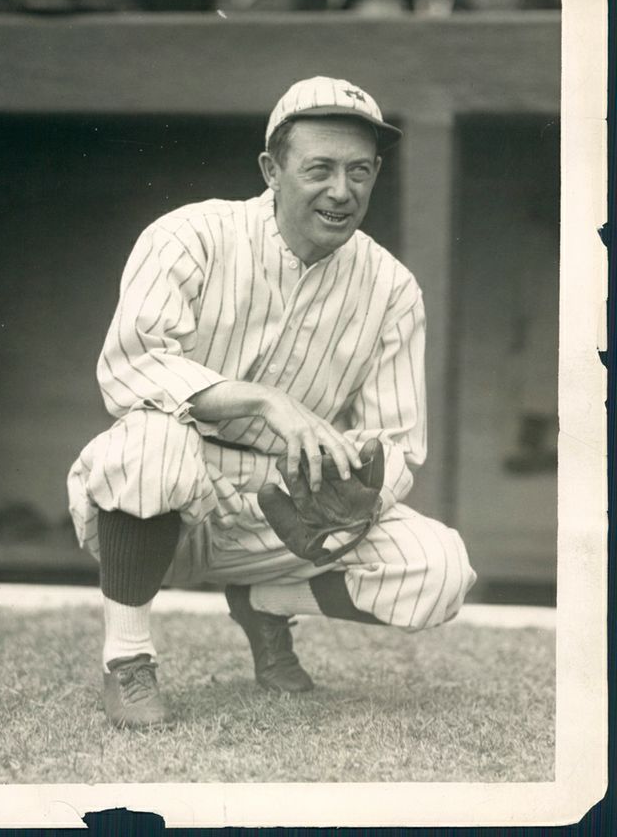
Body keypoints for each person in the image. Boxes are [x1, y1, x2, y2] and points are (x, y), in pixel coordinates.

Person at [67, 76, 477, 728]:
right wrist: (260, 404)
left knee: (440, 571)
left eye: (360, 172)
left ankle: (263, 599)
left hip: (283, 507)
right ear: (271, 169)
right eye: (320, 169)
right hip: (163, 494)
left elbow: (397, 441)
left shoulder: (392, 288)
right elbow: (132, 368)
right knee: (153, 439)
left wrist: (353, 494)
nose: (342, 192)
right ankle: (128, 658)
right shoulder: (192, 235)